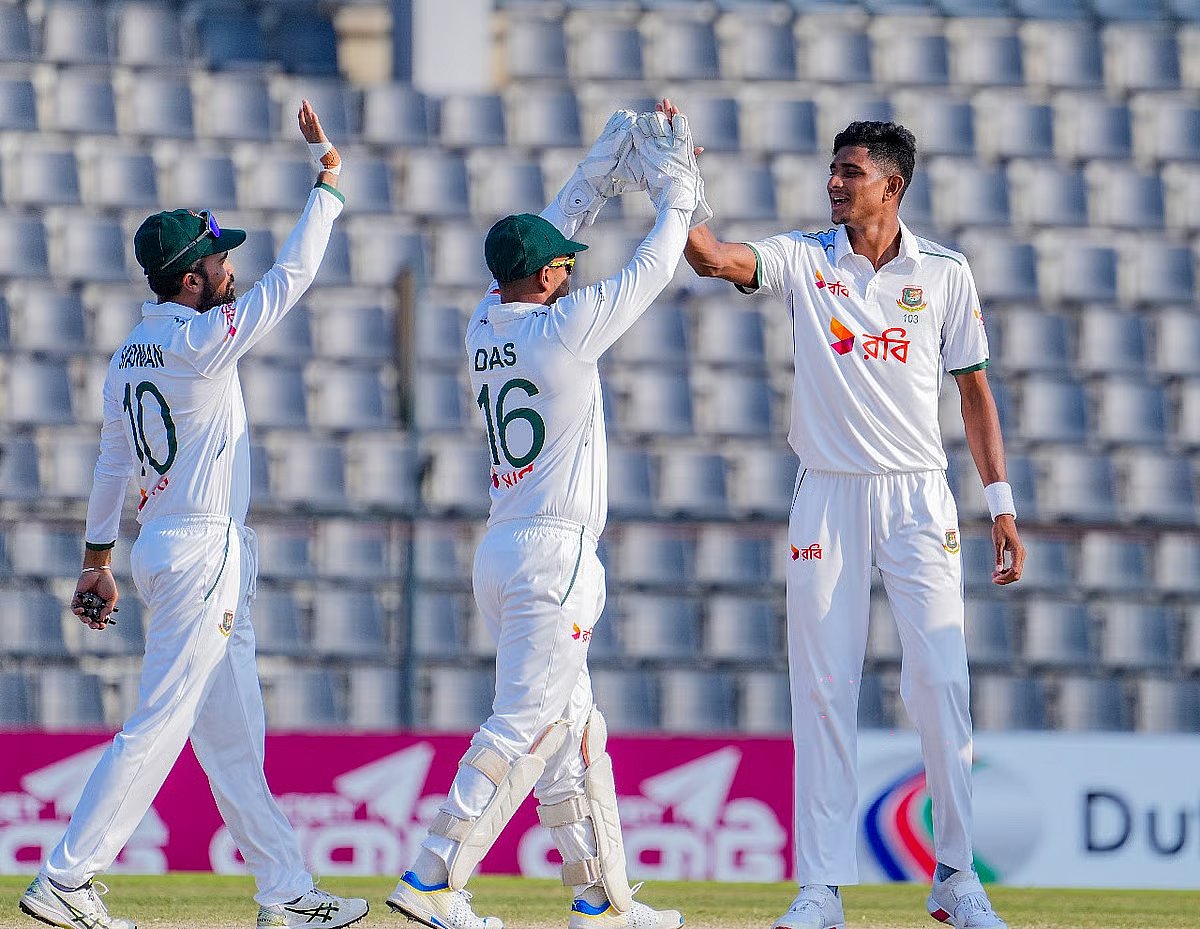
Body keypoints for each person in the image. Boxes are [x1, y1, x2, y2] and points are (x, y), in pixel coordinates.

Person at [19, 102, 368, 929]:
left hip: (171, 548)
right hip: (200, 547)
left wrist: (96, 557)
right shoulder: (202, 340)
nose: (228, 269)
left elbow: (112, 464)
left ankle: (285, 890)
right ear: (188, 279)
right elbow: (294, 278)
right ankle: (67, 876)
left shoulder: (129, 353)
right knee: (161, 722)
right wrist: (328, 183)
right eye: (216, 259)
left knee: (232, 736)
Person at [683, 117, 1025, 929]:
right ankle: (821, 888)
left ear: (891, 186)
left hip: (918, 497)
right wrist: (679, 185)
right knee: (825, 687)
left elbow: (974, 393)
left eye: (849, 171)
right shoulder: (805, 256)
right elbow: (712, 257)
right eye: (832, 169)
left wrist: (1001, 505)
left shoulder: (944, 271)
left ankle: (953, 876)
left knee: (941, 684)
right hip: (828, 493)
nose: (834, 182)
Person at [385, 105, 705, 929]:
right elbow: (658, 258)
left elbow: (551, 229)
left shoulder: (485, 319)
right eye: (565, 266)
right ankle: (433, 876)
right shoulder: (570, 327)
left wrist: (610, 153)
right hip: (556, 556)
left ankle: (602, 899)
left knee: (574, 730)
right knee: (528, 723)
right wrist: (676, 177)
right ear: (553, 278)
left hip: (504, 547)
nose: (571, 268)